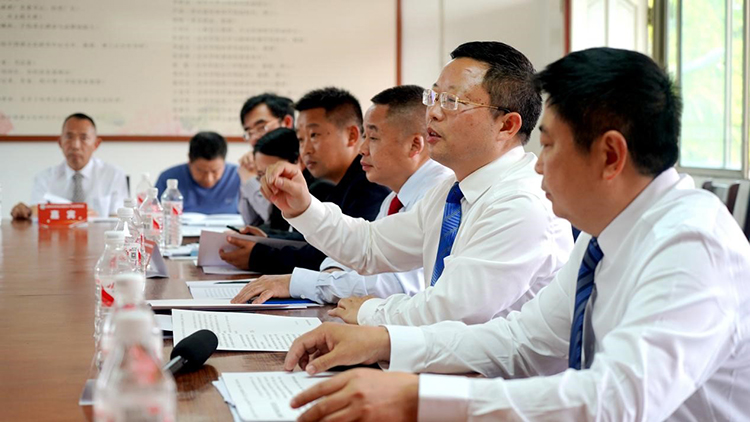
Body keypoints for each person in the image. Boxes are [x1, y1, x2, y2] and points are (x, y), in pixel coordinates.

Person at [281, 47, 750, 422]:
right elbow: (522, 340)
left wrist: (419, 398)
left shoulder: (691, 243)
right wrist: (385, 342)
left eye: (549, 144)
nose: (538, 165)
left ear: (610, 156)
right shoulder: (605, 235)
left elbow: (615, 400)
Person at [258, 41, 573, 326]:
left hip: (490, 370)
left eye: (451, 101)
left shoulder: (521, 203)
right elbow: (370, 246)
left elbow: (453, 311)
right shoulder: (452, 191)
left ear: (507, 125)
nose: (432, 113)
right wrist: (303, 207)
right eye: (433, 97)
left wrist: (368, 312)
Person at [231, 85, 452, 307]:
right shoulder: (395, 197)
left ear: (414, 145)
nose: (362, 148)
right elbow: (365, 250)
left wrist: (300, 283)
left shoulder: (441, 195)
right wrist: (303, 211)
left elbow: (395, 285)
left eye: (373, 137)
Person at [220, 87, 391, 274]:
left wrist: (258, 256)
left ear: (351, 136)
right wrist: (267, 237)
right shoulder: (342, 183)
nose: (306, 149)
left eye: (314, 135)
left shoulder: (371, 186)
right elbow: (319, 239)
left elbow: (339, 255)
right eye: (301, 139)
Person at [10, 113, 128, 219]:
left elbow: (118, 219)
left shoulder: (114, 175)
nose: (75, 145)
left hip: (100, 236)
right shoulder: (44, 178)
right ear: (60, 142)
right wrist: (25, 212)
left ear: (96, 144)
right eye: (69, 137)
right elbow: (36, 213)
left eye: (84, 138)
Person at [237, 93, 297, 225]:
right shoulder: (255, 161)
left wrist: (249, 181)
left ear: (287, 122)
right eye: (249, 132)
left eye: (261, 127)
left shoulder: (300, 158)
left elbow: (275, 219)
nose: (254, 138)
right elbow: (252, 221)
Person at [154, 131, 240, 215]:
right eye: (201, 171)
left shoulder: (240, 176)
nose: (208, 179)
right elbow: (155, 215)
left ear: (224, 162)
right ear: (190, 160)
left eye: (215, 171)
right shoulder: (168, 179)